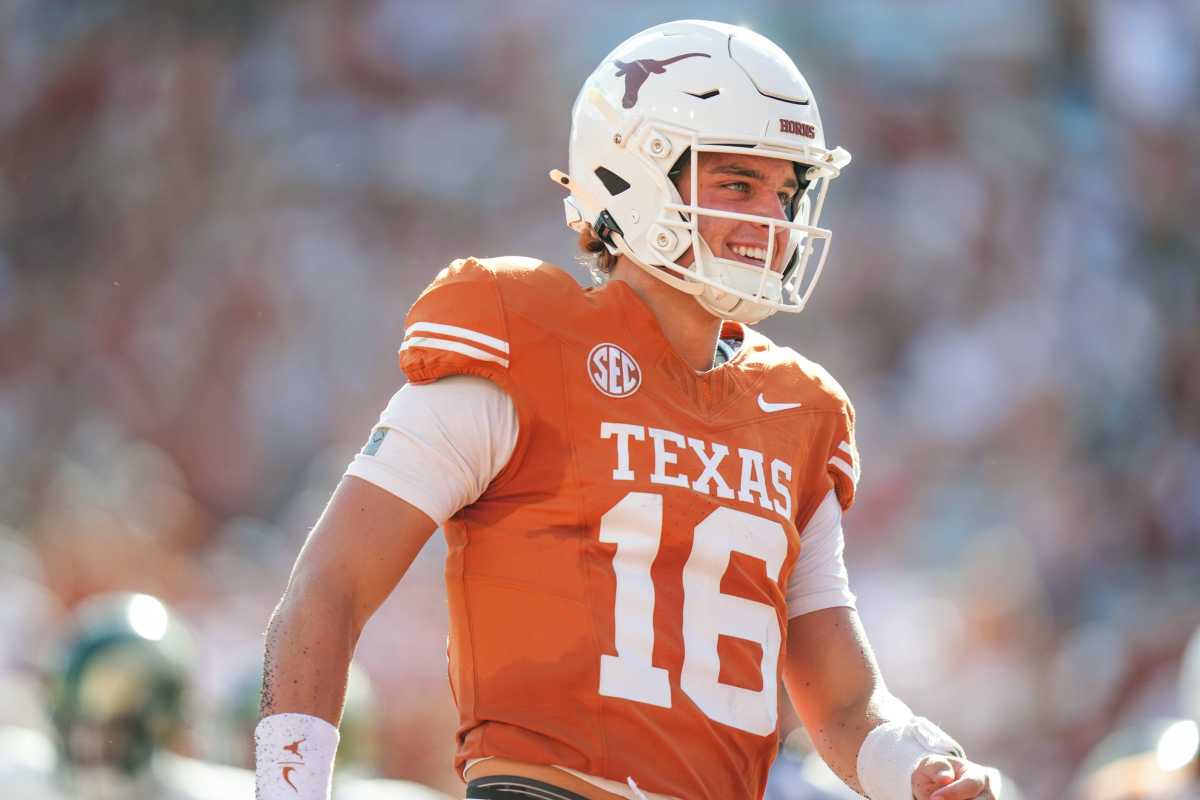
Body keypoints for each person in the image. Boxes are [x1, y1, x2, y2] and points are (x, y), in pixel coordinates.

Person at [256, 19, 1002, 800]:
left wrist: (913, 768)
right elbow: (328, 590)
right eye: (738, 184)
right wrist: (288, 789)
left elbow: (845, 704)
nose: (773, 222)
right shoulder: (521, 337)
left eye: (787, 192)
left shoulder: (798, 412)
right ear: (632, 174)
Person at [0, 591, 255, 800]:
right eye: (76, 724)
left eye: (115, 732)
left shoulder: (217, 792)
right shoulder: (15, 775)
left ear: (161, 728)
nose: (87, 745)